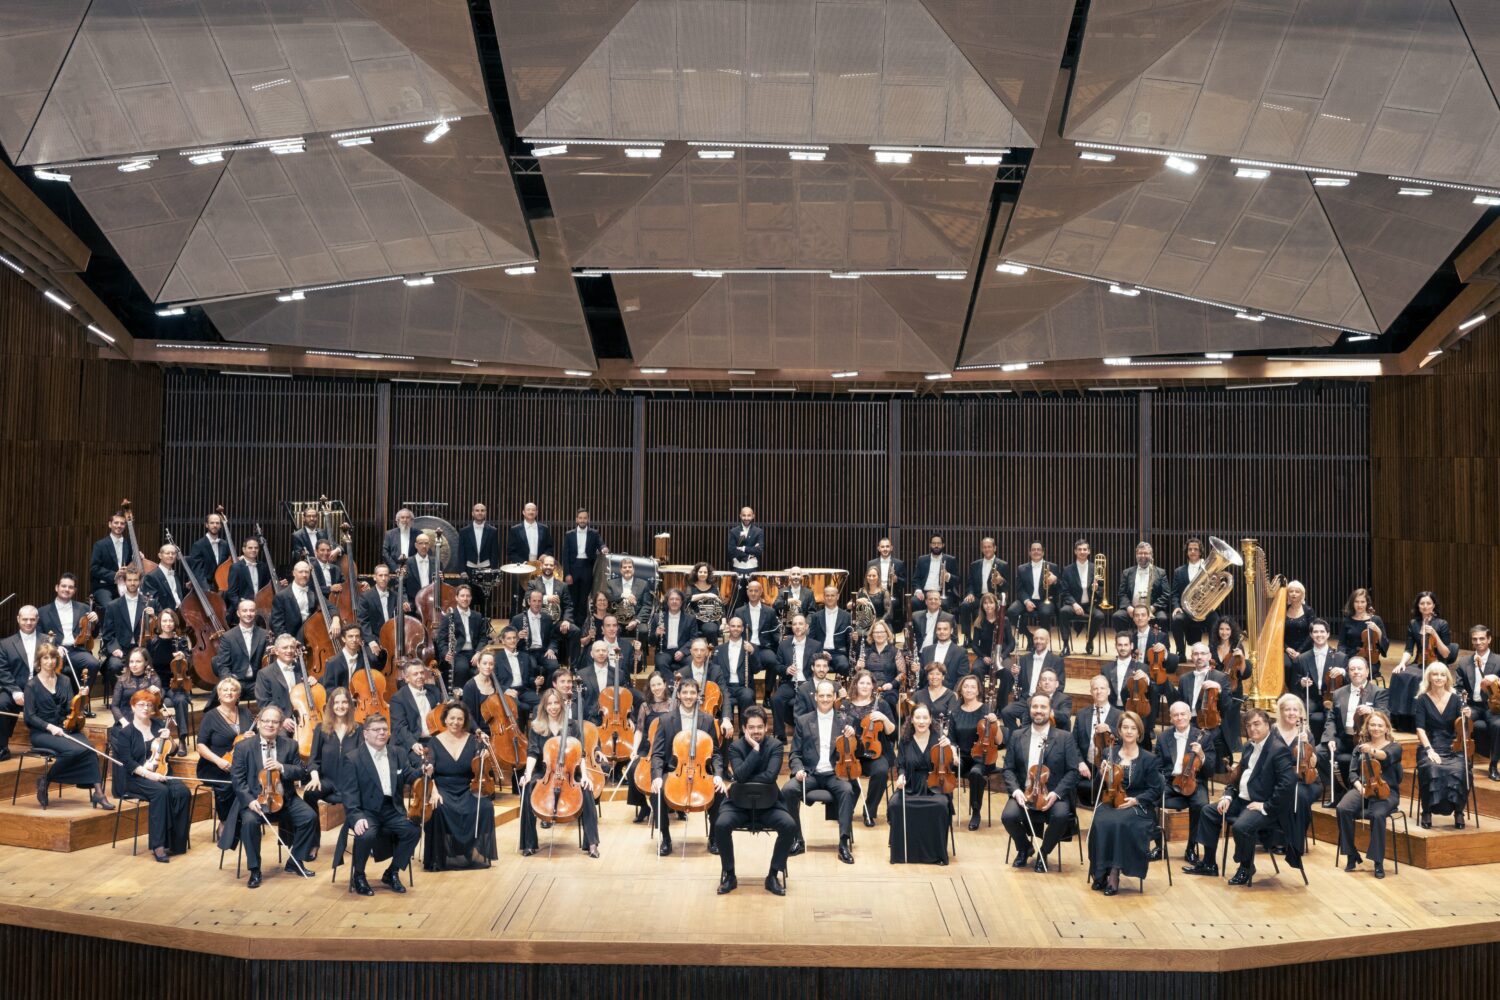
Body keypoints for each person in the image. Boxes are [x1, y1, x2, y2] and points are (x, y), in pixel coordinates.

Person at [1183, 708, 1294, 885]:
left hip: (1265, 806)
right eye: (1248, 726)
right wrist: (1227, 796)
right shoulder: (1249, 746)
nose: (1252, 729)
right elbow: (1237, 778)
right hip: (1242, 800)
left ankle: (1246, 867)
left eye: (1257, 724)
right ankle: (1209, 863)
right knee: (1208, 812)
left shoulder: (1278, 749)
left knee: (1241, 827)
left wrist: (1265, 806)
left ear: (1268, 725)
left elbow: (1287, 786)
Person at [219, 705, 319, 888]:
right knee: (249, 823)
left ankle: (294, 861)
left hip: (285, 799)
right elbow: (238, 780)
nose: (270, 725)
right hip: (256, 801)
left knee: (309, 817)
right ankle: (255, 869)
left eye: (275, 722)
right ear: (258, 723)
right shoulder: (243, 747)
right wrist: (250, 802)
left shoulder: (290, 745)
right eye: (266, 721)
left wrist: (282, 767)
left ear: (281, 725)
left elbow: (301, 772)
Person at [712, 705, 795, 895]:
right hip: (738, 804)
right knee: (721, 824)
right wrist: (756, 751)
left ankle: (773, 875)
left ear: (766, 727)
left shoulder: (775, 746)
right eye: (752, 727)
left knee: (789, 825)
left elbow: (770, 777)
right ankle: (730, 874)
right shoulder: (735, 747)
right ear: (744, 729)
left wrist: (738, 781)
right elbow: (740, 775)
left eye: (759, 727)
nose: (756, 731)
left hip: (769, 803)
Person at [340, 713, 421, 895]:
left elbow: (409, 775)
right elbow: (349, 794)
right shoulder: (352, 758)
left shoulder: (397, 753)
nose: (382, 733)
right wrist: (357, 817)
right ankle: (359, 876)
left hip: (392, 809)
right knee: (366, 834)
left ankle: (392, 872)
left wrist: (423, 770)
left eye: (385, 729)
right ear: (366, 734)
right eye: (377, 730)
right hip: (366, 810)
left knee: (413, 831)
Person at [108, 690, 191, 863]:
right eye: (141, 704)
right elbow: (128, 762)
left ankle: (176, 842)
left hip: (161, 772)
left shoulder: (157, 725)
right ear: (132, 707)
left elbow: (172, 751)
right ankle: (158, 845)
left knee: (183, 792)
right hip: (135, 778)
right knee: (160, 792)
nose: (145, 708)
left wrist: (172, 740)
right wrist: (148, 774)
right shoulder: (125, 733)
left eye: (149, 705)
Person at [1001, 693, 1081, 872]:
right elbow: (1008, 769)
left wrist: (1056, 793)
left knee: (1061, 816)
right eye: (1035, 707)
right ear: (1029, 710)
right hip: (1025, 793)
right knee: (1008, 817)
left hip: (1053, 794)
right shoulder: (1017, 735)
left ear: (1050, 711)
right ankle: (1024, 848)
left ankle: (1043, 852)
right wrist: (1016, 791)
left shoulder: (1064, 737)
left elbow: (1073, 772)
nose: (1038, 711)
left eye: (1043, 707)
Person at [25, 644, 111, 810]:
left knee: (91, 750)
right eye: (46, 658)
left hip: (65, 727)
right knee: (75, 751)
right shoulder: (32, 685)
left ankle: (99, 793)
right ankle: (46, 779)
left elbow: (72, 709)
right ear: (39, 662)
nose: (50, 662)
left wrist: (83, 698)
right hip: (42, 732)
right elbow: (30, 717)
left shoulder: (64, 680)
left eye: (53, 658)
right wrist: (49, 727)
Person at [518, 688, 602, 858]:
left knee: (586, 790)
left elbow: (581, 754)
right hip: (545, 772)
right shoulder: (536, 727)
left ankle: (592, 843)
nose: (553, 707)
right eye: (549, 703)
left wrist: (585, 776)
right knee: (528, 788)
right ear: (544, 706)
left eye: (556, 703)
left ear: (563, 705)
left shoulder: (573, 726)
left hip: (571, 771)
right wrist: (527, 773)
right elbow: (533, 753)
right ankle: (528, 843)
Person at [1086, 711, 1163, 894]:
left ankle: (1114, 874)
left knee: (1120, 823)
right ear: (1119, 731)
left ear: (1139, 732)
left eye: (1133, 728)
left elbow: (1155, 790)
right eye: (1125, 727)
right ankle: (1099, 872)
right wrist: (1101, 773)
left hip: (1138, 805)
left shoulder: (1149, 759)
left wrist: (1136, 800)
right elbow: (1097, 788)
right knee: (1100, 821)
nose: (1129, 731)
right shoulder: (1108, 753)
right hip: (1111, 800)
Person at [781, 679, 856, 864]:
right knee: (788, 790)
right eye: (821, 695)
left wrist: (854, 736)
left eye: (829, 695)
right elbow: (795, 754)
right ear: (815, 697)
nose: (825, 699)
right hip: (810, 774)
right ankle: (796, 839)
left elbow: (857, 751)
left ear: (835, 697)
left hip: (834, 774)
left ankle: (843, 843)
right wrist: (798, 770)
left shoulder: (845, 721)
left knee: (847, 790)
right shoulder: (804, 720)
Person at [649, 677, 726, 858]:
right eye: (685, 692)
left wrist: (718, 775)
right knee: (656, 792)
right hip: (674, 771)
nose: (688, 696)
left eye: (692, 692)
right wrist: (657, 776)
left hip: (701, 771)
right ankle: (665, 837)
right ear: (679, 695)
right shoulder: (666, 720)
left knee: (720, 791)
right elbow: (657, 754)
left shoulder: (707, 720)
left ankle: (714, 836)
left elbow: (715, 752)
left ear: (698, 695)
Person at [420, 702, 498, 870]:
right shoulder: (434, 742)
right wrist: (433, 792)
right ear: (445, 720)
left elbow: (480, 768)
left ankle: (472, 852)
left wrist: (484, 756)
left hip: (468, 787)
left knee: (484, 806)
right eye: (452, 718)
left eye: (460, 719)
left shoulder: (474, 740)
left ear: (465, 721)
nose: (456, 722)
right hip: (442, 788)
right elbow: (428, 770)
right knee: (437, 807)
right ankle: (438, 858)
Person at [1336, 710, 1402, 879]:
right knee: (1343, 808)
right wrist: (1361, 789)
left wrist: (1371, 751)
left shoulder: (1395, 747)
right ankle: (1351, 854)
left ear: (1387, 728)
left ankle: (1378, 861)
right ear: (1367, 727)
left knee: (1377, 814)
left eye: (1380, 725)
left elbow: (1385, 756)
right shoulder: (1360, 747)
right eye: (1372, 725)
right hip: (1364, 788)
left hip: (1386, 792)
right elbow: (1352, 774)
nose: (1376, 728)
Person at [889, 702, 954, 865]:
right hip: (911, 785)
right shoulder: (905, 740)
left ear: (931, 720)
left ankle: (937, 853)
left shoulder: (940, 740)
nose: (921, 721)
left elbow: (952, 764)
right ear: (911, 720)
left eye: (925, 718)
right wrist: (901, 777)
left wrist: (951, 749)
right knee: (895, 804)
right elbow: (901, 764)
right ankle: (901, 853)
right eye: (918, 717)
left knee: (940, 805)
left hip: (935, 787)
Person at [303, 688, 360, 859]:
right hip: (328, 781)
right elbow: (313, 760)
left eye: (344, 702)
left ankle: (365, 841)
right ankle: (313, 842)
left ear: (350, 705)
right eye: (336, 702)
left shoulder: (359, 729)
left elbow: (364, 760)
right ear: (330, 705)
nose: (340, 706)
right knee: (309, 794)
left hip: (351, 784)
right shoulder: (321, 729)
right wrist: (314, 776)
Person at [1320, 656, 1389, 797]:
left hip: (1366, 739)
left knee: (1358, 759)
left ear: (1367, 671)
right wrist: (1330, 738)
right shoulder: (1339, 693)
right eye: (1352, 669)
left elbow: (1386, 714)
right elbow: (1331, 718)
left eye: (1359, 669)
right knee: (1320, 752)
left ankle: (1357, 792)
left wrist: (1372, 711)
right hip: (1344, 737)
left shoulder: (1378, 692)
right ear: (1348, 672)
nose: (1356, 672)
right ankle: (1337, 788)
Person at [1414, 664, 1471, 828]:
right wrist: (1429, 750)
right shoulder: (1422, 699)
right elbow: (1420, 728)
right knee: (1431, 768)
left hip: (1453, 745)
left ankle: (1459, 811)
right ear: (1429, 677)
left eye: (1442, 675)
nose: (1439, 678)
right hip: (1430, 744)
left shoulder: (1456, 698)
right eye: (1435, 674)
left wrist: (1468, 715)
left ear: (1447, 678)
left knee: (1461, 769)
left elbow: (1464, 727)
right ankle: (1427, 810)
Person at [1158, 701, 1215, 865]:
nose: (1180, 717)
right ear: (1170, 719)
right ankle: (1158, 846)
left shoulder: (1204, 737)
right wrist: (1166, 779)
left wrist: (1202, 755)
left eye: (1183, 714)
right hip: (1171, 781)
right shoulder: (1163, 738)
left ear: (1190, 716)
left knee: (1201, 805)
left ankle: (1191, 847)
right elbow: (1158, 766)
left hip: (1195, 782)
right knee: (1150, 799)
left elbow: (1210, 770)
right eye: (1175, 715)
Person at [1390, 591, 1456, 726]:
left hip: (1437, 662)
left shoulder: (1442, 624)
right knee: (1400, 675)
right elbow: (1409, 649)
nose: (1425, 606)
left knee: (1419, 678)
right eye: (1422, 603)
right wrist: (1402, 663)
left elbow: (1445, 653)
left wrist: (1434, 634)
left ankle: (1419, 719)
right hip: (1420, 662)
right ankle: (1403, 720)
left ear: (1433, 606)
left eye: (1428, 603)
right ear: (1418, 606)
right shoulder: (1413, 624)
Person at [196, 677, 255, 824]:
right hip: (214, 765)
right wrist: (219, 761)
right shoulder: (210, 716)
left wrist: (253, 736)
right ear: (219, 694)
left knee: (252, 780)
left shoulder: (245, 713)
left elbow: (253, 740)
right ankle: (226, 823)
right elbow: (200, 745)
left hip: (240, 764)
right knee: (230, 784)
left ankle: (247, 822)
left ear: (238, 694)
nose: (229, 692)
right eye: (225, 690)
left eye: (233, 690)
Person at [842, 670, 896, 826]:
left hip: (876, 753)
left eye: (868, 683)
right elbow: (837, 727)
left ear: (873, 686)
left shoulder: (882, 705)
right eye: (861, 683)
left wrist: (884, 718)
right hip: (853, 753)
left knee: (880, 771)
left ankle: (869, 811)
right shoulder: (846, 705)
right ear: (856, 685)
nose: (865, 686)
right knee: (846, 768)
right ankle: (847, 808)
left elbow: (893, 735)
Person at [1271, 692, 1321, 860]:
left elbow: (1312, 763)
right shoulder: (1273, 732)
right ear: (1281, 711)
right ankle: (1278, 838)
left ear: (1301, 713)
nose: (1292, 713)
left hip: (1306, 780)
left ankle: (1294, 844)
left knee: (1298, 795)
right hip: (1280, 779)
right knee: (1281, 792)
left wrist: (1306, 744)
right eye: (1287, 709)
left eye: (1295, 710)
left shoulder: (1306, 733)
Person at [37, 573, 101, 700]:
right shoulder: (42, 611)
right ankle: (55, 701)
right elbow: (39, 636)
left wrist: (96, 622)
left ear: (74, 590)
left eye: (70, 587)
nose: (67, 589)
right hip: (55, 651)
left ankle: (81, 701)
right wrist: (54, 648)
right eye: (64, 586)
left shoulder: (84, 608)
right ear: (57, 587)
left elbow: (93, 634)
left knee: (93, 663)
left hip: (76, 650)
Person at [951, 673, 1001, 830]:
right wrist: (953, 755)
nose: (969, 689)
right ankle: (945, 808)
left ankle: (976, 811)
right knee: (944, 767)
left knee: (976, 773)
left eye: (973, 686)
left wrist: (996, 724)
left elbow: (999, 741)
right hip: (962, 757)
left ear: (978, 690)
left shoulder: (986, 711)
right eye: (966, 686)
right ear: (961, 689)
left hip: (983, 757)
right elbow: (951, 739)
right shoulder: (955, 712)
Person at [1453, 625, 1498, 781]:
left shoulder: (1498, 661)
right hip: (1473, 705)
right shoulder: (1464, 662)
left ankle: (1493, 765)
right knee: (1463, 721)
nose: (1478, 642)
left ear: (1489, 639)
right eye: (1475, 639)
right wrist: (1463, 706)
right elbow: (1458, 688)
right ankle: (1464, 764)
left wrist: (1497, 680)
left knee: (1498, 725)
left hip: (1493, 707)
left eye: (1482, 638)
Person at [627, 672, 674, 823]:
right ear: (650, 687)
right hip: (648, 747)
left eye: (659, 684)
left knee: (671, 769)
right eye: (653, 685)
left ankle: (674, 806)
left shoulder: (673, 704)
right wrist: (634, 750)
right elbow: (639, 730)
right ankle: (643, 806)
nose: (656, 688)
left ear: (665, 684)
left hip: (668, 747)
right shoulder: (645, 706)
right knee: (633, 768)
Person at [142, 609, 192, 744]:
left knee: (181, 700)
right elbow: (147, 667)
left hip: (177, 684)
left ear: (175, 622)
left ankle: (182, 740)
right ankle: (155, 739)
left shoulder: (181, 641)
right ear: (159, 623)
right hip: (158, 684)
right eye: (164, 620)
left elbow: (189, 662)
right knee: (152, 699)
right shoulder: (152, 643)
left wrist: (184, 658)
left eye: (170, 620)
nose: (168, 624)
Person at [1288, 619, 1344, 738]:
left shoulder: (1340, 657)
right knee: (1303, 712)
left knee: (1331, 713)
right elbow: (1294, 683)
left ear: (1328, 634)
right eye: (1316, 632)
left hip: (1331, 698)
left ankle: (1329, 744)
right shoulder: (1302, 658)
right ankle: (1305, 743)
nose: (1319, 635)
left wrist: (1343, 671)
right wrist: (1302, 683)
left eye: (1322, 632)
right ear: (1311, 635)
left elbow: (1349, 680)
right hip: (1312, 697)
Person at [101, 568, 151, 691]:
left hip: (142, 648)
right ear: (124, 582)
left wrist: (154, 617)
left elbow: (157, 630)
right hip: (121, 649)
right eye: (129, 580)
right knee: (114, 665)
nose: (132, 583)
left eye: (135, 580)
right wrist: (115, 649)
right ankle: (121, 695)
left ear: (140, 582)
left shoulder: (149, 603)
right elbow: (107, 634)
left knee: (157, 663)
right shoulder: (113, 605)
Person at [1075, 674, 1122, 805]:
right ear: (1091, 692)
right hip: (1086, 764)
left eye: (1102, 688)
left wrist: (1110, 729)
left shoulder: (1119, 715)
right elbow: (1073, 742)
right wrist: (1080, 762)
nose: (1099, 691)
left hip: (1109, 766)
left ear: (1109, 691)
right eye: (1095, 688)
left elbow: (1126, 741)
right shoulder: (1081, 714)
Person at [435, 584, 491, 690]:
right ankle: (459, 697)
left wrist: (479, 652)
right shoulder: (449, 616)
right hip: (458, 653)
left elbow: (483, 637)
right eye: (462, 596)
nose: (465, 599)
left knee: (488, 665)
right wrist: (445, 653)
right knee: (462, 668)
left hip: (474, 652)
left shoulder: (477, 616)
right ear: (456, 598)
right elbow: (441, 639)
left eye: (468, 596)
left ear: (471, 598)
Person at [1056, 538, 1105, 655]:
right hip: (1074, 604)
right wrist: (1074, 604)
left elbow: (1103, 589)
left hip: (1090, 604)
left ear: (1089, 552)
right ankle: (1066, 645)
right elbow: (1065, 591)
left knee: (1099, 616)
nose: (1082, 552)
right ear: (1075, 552)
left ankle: (1090, 640)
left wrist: (1097, 589)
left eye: (1085, 549)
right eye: (1079, 549)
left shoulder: (1096, 568)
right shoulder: (1067, 570)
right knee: (1063, 612)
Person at [562, 508, 607, 628]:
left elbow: (601, 543)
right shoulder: (569, 534)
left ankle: (581, 627)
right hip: (573, 569)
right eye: (580, 518)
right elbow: (565, 556)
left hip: (587, 568)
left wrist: (603, 548)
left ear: (588, 519)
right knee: (572, 600)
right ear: (576, 519)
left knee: (583, 601)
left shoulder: (594, 533)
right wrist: (567, 574)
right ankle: (571, 625)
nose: (582, 520)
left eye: (585, 518)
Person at [1168, 537, 1213, 655]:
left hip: (1204, 610)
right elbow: (1175, 594)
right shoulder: (1179, 571)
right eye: (1190, 549)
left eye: (1196, 549)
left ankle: (1213, 654)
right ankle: (1180, 653)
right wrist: (1177, 607)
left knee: (1215, 620)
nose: (1193, 551)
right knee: (1177, 620)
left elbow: (1213, 590)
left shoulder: (1208, 569)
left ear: (1200, 552)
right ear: (1187, 552)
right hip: (1187, 610)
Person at [213, 599, 269, 685]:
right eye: (244, 611)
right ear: (238, 613)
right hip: (235, 681)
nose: (248, 614)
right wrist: (229, 682)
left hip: (258, 682)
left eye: (252, 610)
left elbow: (268, 663)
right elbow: (223, 665)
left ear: (255, 612)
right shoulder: (228, 637)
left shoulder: (265, 635)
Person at [961, 536, 1007, 640]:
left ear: (994, 548)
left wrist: (1001, 581)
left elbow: (1007, 587)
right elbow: (970, 583)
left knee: (988, 608)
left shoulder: (1003, 565)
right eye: (984, 547)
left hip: (994, 598)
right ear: (981, 549)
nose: (987, 549)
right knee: (965, 605)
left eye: (989, 547)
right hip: (978, 597)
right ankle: (967, 637)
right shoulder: (975, 564)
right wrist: (970, 593)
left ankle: (988, 639)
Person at [1338, 589, 1388, 680]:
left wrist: (1378, 630)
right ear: (1352, 603)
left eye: (1362, 602)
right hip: (1351, 658)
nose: (1359, 605)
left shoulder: (1376, 620)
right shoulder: (1347, 621)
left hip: (1370, 661)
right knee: (1342, 672)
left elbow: (1385, 644)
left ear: (1367, 603)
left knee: (1357, 673)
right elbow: (1342, 643)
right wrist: (1342, 658)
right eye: (1356, 602)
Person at [89, 510, 134, 607]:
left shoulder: (129, 544)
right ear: (110, 524)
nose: (119, 525)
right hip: (104, 587)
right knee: (110, 607)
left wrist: (138, 558)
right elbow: (94, 569)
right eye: (116, 523)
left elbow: (133, 566)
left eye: (122, 523)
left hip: (125, 586)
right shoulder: (100, 545)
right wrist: (114, 575)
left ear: (125, 526)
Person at [909, 534, 960, 616]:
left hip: (941, 593)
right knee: (914, 601)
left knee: (944, 604)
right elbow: (916, 579)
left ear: (943, 545)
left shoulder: (950, 559)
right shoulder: (922, 559)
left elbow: (957, 580)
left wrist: (948, 576)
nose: (936, 546)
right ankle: (918, 627)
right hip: (924, 592)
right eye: (933, 543)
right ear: (930, 545)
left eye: (939, 543)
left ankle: (941, 628)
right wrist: (918, 591)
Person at [652, 588, 697, 678]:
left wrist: (683, 651)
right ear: (667, 602)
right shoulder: (658, 617)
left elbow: (693, 639)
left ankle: (683, 686)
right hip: (664, 651)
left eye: (677, 599)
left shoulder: (690, 618)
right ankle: (673, 684)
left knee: (692, 662)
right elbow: (651, 641)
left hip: (682, 651)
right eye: (671, 599)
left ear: (681, 602)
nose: (674, 602)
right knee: (660, 662)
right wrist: (656, 634)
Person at [187, 510, 232, 590]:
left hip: (222, 587)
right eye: (212, 523)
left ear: (221, 525)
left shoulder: (224, 544)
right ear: (206, 525)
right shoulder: (198, 545)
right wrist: (207, 591)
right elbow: (198, 571)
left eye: (217, 523)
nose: (215, 525)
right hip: (207, 587)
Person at [1281, 581, 1317, 673]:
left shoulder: (1308, 610)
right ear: (1287, 594)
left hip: (1305, 648)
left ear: (1302, 594)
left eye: (1297, 591)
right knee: (1286, 665)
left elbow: (1312, 633)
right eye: (1291, 591)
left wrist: (1299, 651)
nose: (1294, 594)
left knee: (1301, 664)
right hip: (1287, 649)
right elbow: (1278, 633)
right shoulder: (1282, 610)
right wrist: (1286, 648)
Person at [726, 507, 764, 582]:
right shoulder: (733, 531)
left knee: (752, 593)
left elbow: (759, 550)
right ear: (740, 516)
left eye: (749, 515)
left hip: (753, 567)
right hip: (737, 567)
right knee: (738, 593)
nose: (746, 518)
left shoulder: (758, 531)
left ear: (753, 516)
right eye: (744, 515)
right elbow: (731, 550)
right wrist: (749, 555)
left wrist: (743, 548)